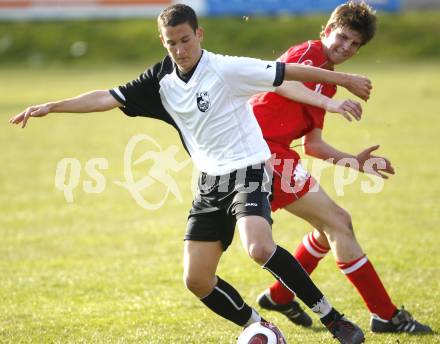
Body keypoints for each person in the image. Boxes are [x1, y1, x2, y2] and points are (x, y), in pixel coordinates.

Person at [10, 4, 374, 343]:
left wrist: (342, 80)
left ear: (199, 35)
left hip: (249, 167)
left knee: (259, 247)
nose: (180, 49)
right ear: (162, 42)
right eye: (171, 43)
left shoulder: (226, 68)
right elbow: (107, 97)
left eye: (185, 40)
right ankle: (258, 326)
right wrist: (53, 107)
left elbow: (285, 72)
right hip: (210, 181)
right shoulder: (160, 79)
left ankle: (331, 317)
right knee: (197, 280)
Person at [249, 0, 432, 334]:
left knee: (326, 229)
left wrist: (355, 162)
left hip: (275, 155)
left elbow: (313, 145)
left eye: (354, 44)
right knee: (339, 223)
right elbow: (280, 81)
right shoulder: (309, 53)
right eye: (343, 37)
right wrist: (331, 102)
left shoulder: (329, 81)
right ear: (327, 30)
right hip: (260, 153)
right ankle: (386, 315)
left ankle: (278, 296)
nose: (345, 47)